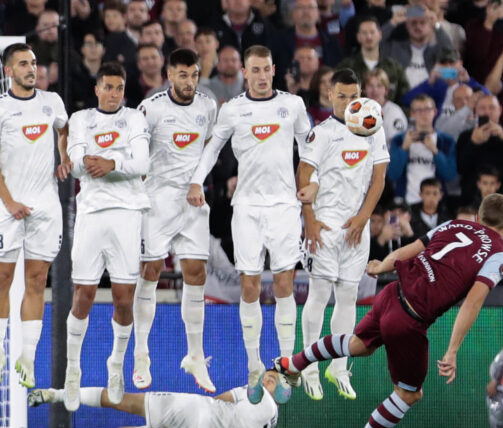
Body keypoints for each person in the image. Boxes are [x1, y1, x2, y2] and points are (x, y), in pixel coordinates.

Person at [275, 193, 503, 428]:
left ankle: (293, 364)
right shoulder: (499, 253)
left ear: (476, 217)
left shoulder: (453, 224)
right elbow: (472, 303)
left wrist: (381, 265)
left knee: (358, 345)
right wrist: (452, 350)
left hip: (392, 292)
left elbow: (410, 249)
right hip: (410, 318)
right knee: (410, 393)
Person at [188, 45, 312, 405]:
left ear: (274, 70)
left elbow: (309, 148)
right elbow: (212, 149)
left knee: (286, 282)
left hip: (285, 206)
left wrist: (313, 183)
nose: (260, 76)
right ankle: (255, 364)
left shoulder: (293, 105)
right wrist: (197, 181)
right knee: (250, 285)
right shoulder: (234, 109)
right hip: (246, 208)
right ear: (245, 72)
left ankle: (288, 362)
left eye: (265, 70)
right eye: (253, 70)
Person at [0, 43, 69, 389]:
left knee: (36, 281)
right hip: (7, 208)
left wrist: (63, 156)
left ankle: (28, 358)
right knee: (1, 277)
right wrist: (10, 201)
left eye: (33, 63)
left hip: (45, 208)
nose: (32, 69)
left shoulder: (52, 102)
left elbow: (65, 129)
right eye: (23, 64)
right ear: (8, 71)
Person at [296, 68, 389, 401]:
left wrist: (363, 218)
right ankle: (307, 364)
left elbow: (379, 179)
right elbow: (303, 175)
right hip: (324, 224)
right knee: (319, 292)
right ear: (330, 95)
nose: (349, 102)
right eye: (342, 96)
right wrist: (309, 220)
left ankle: (338, 367)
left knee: (348, 294)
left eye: (355, 96)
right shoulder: (320, 134)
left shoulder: (373, 127)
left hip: (356, 227)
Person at [63, 61, 150, 411]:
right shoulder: (81, 119)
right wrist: (115, 159)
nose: (113, 93)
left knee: (124, 300)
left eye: (119, 87)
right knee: (82, 295)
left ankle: (116, 364)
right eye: (108, 87)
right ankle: (72, 370)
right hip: (91, 214)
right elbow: (77, 161)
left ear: (124, 90)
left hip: (127, 215)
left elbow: (142, 163)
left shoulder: (135, 119)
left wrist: (111, 163)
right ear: (97, 89)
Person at [132, 49, 218, 393]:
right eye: (183, 75)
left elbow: (211, 147)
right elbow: (136, 153)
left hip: (193, 201)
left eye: (194, 75)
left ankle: (195, 355)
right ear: (169, 75)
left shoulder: (207, 106)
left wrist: (198, 181)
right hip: (157, 202)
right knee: (150, 270)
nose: (189, 82)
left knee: (197, 273)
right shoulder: (150, 109)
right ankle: (141, 354)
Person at [19, 370, 281, 428]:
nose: (265, 379)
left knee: (120, 412)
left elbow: (225, 400)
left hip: (191, 413)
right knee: (122, 423)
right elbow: (227, 401)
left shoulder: (263, 403)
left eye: (271, 379)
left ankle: (53, 405)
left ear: (280, 392)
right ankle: (51, 418)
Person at [388, 93, 457, 205]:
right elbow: (393, 174)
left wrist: (435, 151)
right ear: (412, 114)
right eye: (419, 110)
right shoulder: (399, 140)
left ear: (434, 112)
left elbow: (450, 175)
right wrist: (404, 148)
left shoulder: (446, 141)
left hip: (436, 204)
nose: (423, 114)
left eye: (427, 109)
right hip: (406, 203)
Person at [338, 16, 409, 104]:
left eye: (372, 32)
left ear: (380, 35)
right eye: (364, 33)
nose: (369, 37)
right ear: (358, 37)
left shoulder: (394, 67)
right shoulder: (347, 67)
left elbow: (405, 97)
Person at [363, 68, 407, 148]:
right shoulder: (359, 111)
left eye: (379, 86)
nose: (374, 90)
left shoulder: (394, 113)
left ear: (386, 90)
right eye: (370, 85)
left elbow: (397, 148)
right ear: (365, 89)